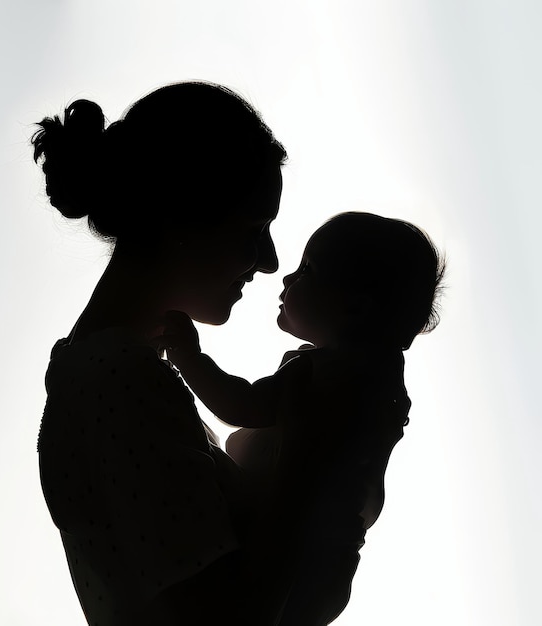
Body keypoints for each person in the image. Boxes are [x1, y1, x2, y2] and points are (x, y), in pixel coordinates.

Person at [33, 81, 366, 626]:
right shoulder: (117, 378)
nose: (268, 260)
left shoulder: (112, 370)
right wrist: (308, 457)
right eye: (254, 228)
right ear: (181, 218)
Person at [159, 212, 445, 624]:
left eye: (307, 269)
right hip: (329, 574)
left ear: (355, 306)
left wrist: (188, 356)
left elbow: (239, 404)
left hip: (277, 557)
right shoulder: (383, 389)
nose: (287, 278)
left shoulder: (326, 373)